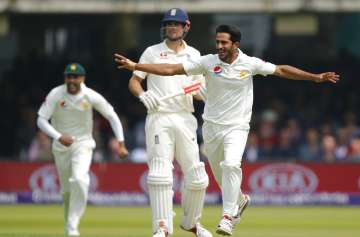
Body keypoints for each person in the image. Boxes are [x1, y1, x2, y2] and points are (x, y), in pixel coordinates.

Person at [114, 24, 340, 236]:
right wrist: (136, 66)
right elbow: (172, 68)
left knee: (232, 165)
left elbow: (280, 69)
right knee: (222, 177)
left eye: (224, 43)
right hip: (211, 128)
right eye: (218, 42)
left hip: (237, 127)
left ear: (235, 45)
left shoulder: (250, 63)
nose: (220, 46)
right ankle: (240, 200)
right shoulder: (207, 61)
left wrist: (315, 77)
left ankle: (228, 217)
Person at [126, 8, 211, 237]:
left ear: (186, 27)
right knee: (160, 173)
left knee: (197, 176)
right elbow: (135, 81)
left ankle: (191, 223)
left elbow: (200, 90)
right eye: (169, 23)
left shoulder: (195, 54)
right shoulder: (152, 52)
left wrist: (202, 91)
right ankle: (162, 227)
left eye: (177, 23)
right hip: (159, 117)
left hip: (185, 118)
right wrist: (142, 95)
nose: (172, 27)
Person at [37, 62, 128, 236]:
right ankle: (69, 225)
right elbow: (41, 120)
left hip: (83, 144)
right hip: (60, 146)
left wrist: (121, 143)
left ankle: (72, 226)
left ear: (82, 78)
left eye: (75, 77)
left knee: (79, 179)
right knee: (66, 192)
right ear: (65, 78)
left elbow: (111, 116)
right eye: (68, 76)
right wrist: (58, 137)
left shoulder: (90, 96)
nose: (72, 80)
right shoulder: (56, 94)